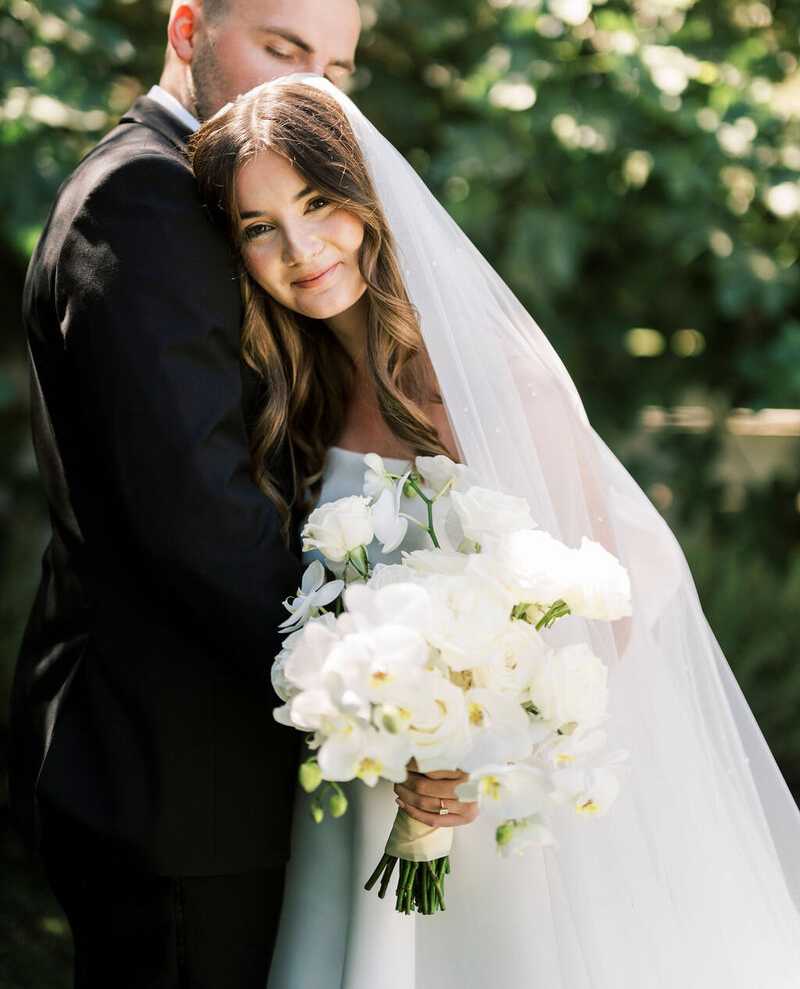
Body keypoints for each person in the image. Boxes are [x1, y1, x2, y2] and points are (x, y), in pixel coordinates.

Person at [191, 75, 800, 988]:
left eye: (318, 202)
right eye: (258, 226)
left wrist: (473, 754)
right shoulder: (294, 396)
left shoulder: (495, 380)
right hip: (364, 803)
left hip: (491, 809)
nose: (301, 247)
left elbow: (607, 605)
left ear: (368, 199)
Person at [8, 0, 361, 989]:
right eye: (282, 49)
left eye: (337, 67)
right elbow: (197, 508)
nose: (311, 90)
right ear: (186, 28)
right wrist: (369, 688)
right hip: (176, 776)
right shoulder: (147, 196)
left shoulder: (212, 188)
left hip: (211, 769)